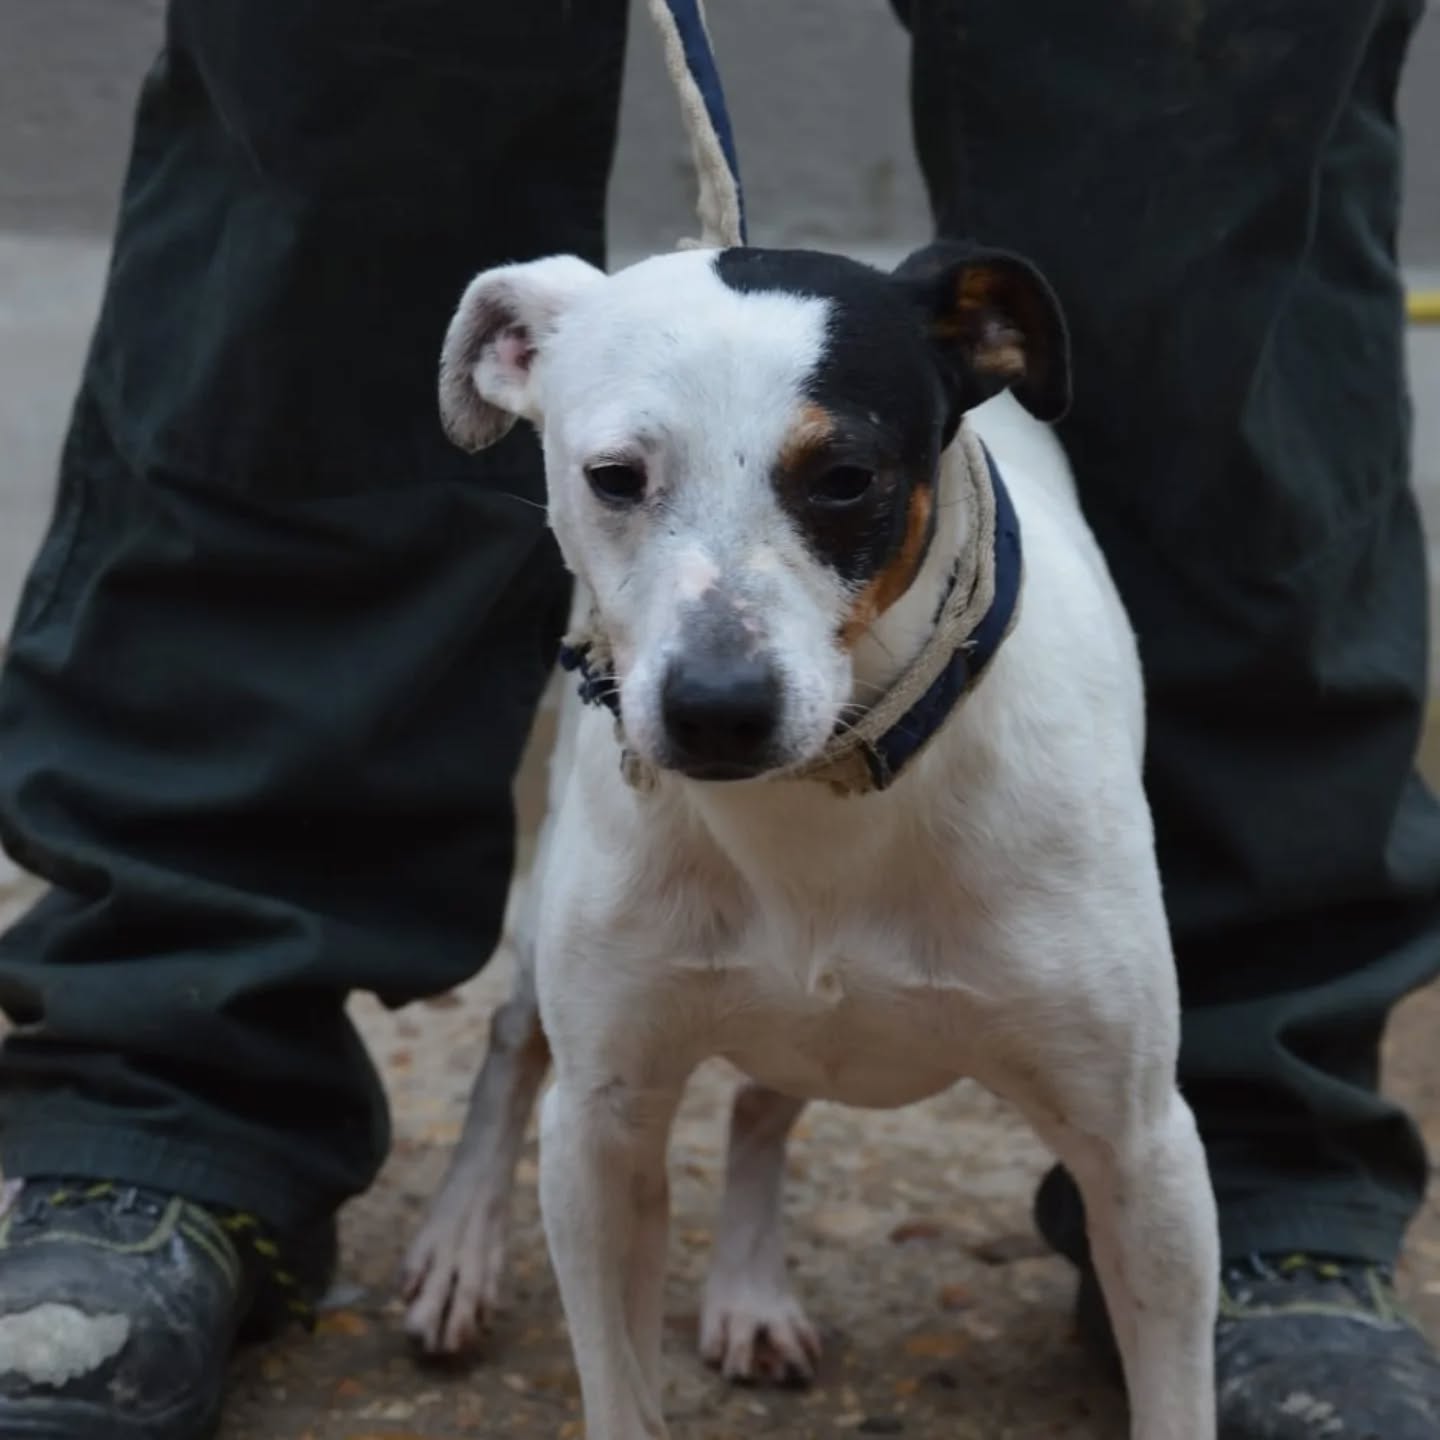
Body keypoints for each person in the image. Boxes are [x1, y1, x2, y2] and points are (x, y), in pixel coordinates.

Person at [1, 1, 1437, 1436]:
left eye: (840, 487)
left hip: (1010, 752)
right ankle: (163, 1100)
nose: (716, 664)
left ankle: (1265, 1174)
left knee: (1200, 158)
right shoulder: (562, 365)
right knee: (344, 112)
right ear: (510, 366)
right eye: (620, 481)